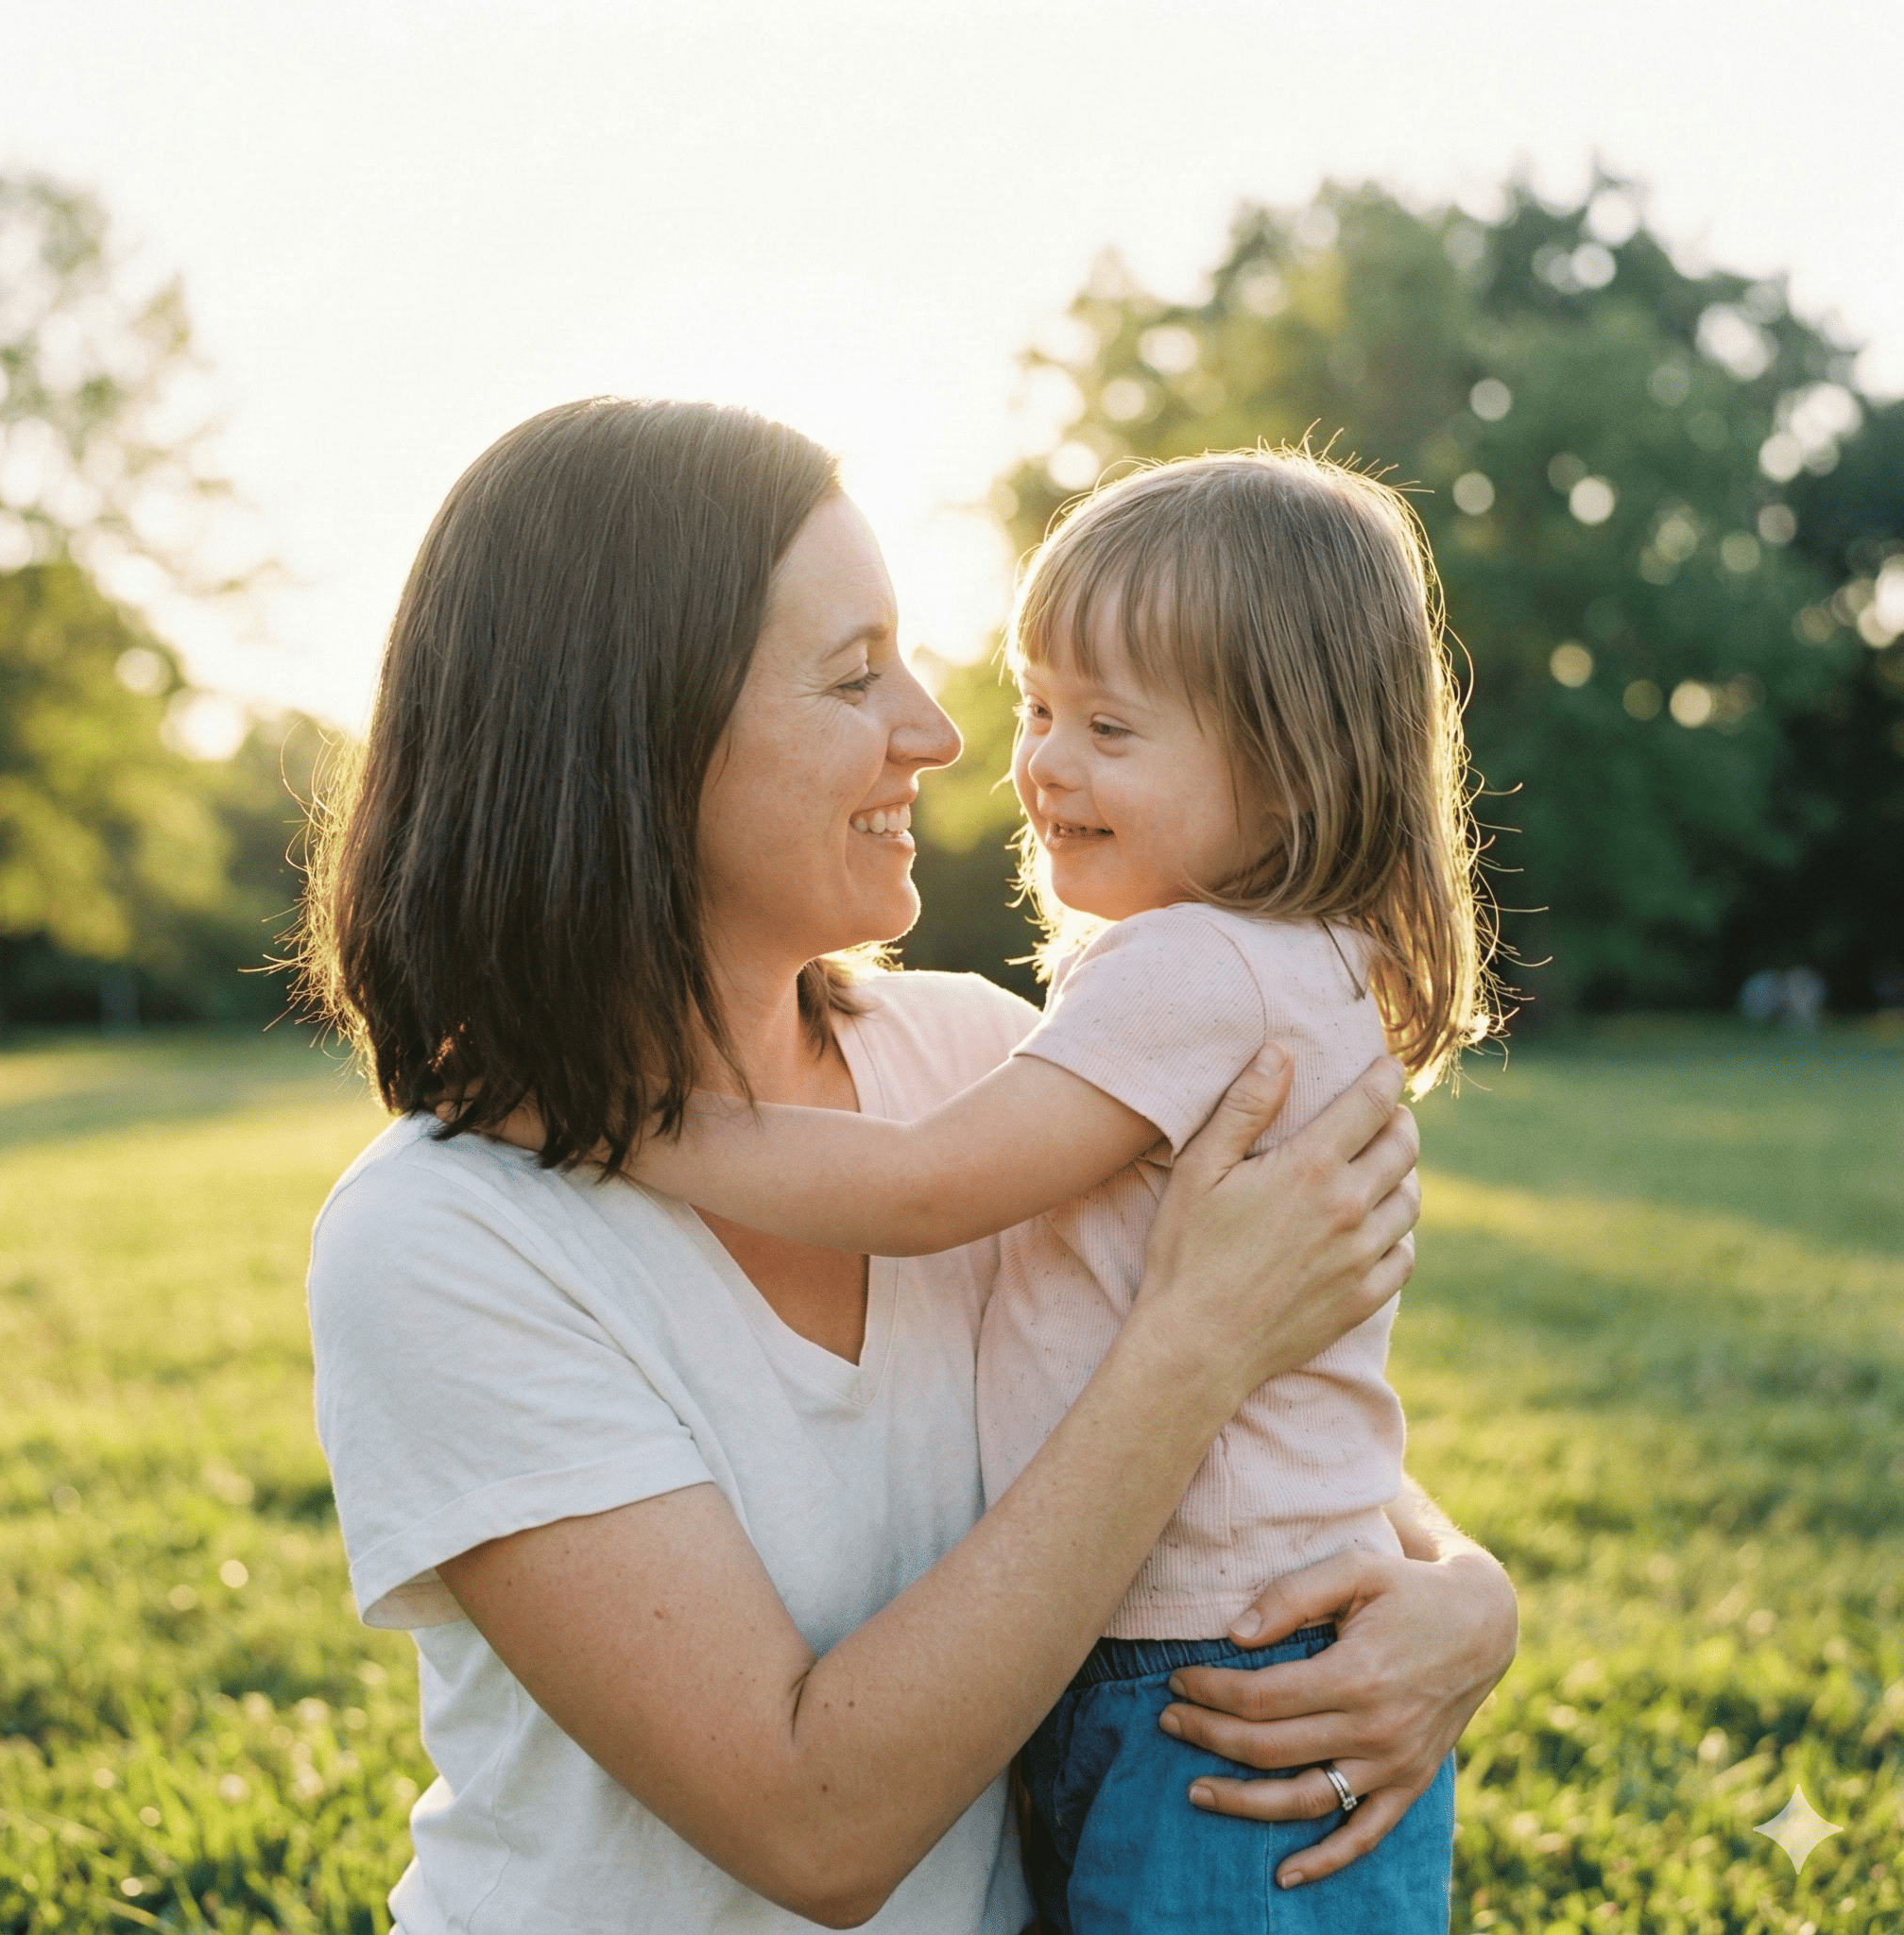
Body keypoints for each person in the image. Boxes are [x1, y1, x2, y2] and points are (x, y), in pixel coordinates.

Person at [300, 398, 1517, 1934]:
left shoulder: (968, 1055)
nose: (944, 738)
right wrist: (1194, 1342)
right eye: (852, 674)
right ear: (630, 737)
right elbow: (817, 1833)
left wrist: (1468, 1597)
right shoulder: (445, 1230)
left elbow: (1265, 1427)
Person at [612, 449, 1490, 1930]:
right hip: (1231, 1644)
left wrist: (616, 1122)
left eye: (1108, 725)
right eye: (1038, 706)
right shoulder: (1297, 963)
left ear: (1287, 768)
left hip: (1200, 1676)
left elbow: (918, 1186)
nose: (1035, 763)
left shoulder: (1194, 966)